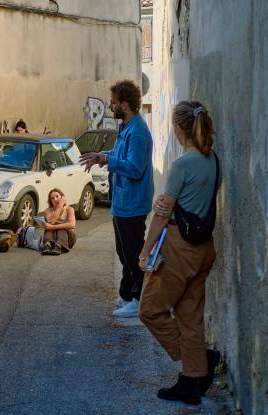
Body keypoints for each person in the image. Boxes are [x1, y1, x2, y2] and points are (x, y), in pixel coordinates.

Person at [137, 101, 221, 405]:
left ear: (177, 129)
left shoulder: (182, 165)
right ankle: (192, 380)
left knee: (150, 310)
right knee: (190, 317)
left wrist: (145, 253)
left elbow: (162, 216)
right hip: (203, 250)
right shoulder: (214, 161)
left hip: (178, 250)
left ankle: (200, 361)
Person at [78, 80, 154, 318]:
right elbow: (120, 155)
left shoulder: (138, 132)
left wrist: (108, 161)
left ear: (125, 104)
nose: (110, 106)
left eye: (112, 102)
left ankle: (140, 299)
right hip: (122, 202)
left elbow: (135, 168)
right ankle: (128, 294)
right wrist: (103, 155)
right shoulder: (127, 128)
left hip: (132, 203)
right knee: (124, 253)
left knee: (133, 253)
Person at [41, 188, 76, 255]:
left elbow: (72, 225)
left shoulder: (69, 209)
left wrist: (60, 205)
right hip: (52, 237)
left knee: (62, 227)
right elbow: (51, 222)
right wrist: (59, 208)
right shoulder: (48, 210)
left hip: (68, 238)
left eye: (57, 196)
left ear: (62, 197)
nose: (55, 199)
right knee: (49, 227)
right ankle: (48, 245)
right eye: (52, 198)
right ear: (50, 201)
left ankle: (59, 246)